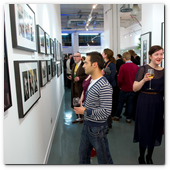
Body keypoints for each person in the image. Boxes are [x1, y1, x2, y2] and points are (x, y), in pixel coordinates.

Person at [74, 51, 113, 164]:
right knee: (83, 156)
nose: (83, 65)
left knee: (104, 159)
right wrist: (84, 105)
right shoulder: (91, 80)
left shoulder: (104, 85)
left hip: (97, 129)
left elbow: (106, 112)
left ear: (94, 64)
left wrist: (85, 111)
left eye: (86, 62)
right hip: (88, 125)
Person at [133, 45, 164, 164]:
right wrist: (144, 80)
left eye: (161, 54)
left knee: (155, 129)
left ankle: (149, 156)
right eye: (156, 54)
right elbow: (135, 88)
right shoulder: (143, 69)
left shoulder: (164, 71)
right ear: (150, 56)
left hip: (158, 103)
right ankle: (141, 156)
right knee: (144, 129)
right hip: (144, 101)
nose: (159, 57)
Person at [112, 52, 139, 123]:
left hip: (124, 88)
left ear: (124, 58)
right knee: (130, 104)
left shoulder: (123, 66)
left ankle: (117, 117)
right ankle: (128, 119)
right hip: (133, 89)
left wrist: (119, 86)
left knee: (120, 104)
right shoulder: (136, 66)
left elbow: (119, 79)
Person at [67, 52, 87, 123]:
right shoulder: (73, 65)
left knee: (81, 102)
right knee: (75, 102)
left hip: (81, 87)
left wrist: (80, 78)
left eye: (77, 56)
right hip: (74, 87)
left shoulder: (84, 65)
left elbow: (86, 76)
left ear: (80, 57)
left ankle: (83, 117)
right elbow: (74, 74)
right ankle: (78, 117)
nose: (75, 58)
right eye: (74, 56)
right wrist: (72, 77)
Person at [101, 48, 116, 128]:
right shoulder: (104, 63)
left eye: (103, 53)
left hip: (110, 87)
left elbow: (112, 77)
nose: (102, 54)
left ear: (106, 55)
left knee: (108, 106)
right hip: (105, 87)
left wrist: (103, 74)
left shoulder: (112, 65)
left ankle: (109, 123)